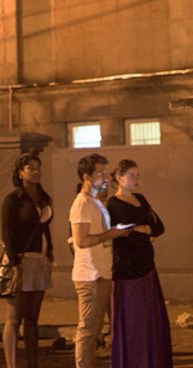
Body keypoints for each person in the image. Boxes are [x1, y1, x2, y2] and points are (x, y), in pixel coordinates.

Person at [105, 159, 170, 368]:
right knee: (134, 322)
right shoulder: (113, 205)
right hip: (127, 269)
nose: (136, 180)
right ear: (119, 177)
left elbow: (158, 226)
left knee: (150, 321)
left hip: (147, 266)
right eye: (132, 175)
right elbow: (118, 234)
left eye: (137, 175)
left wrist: (145, 230)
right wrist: (137, 231)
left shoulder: (140, 199)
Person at [70, 154, 127, 368]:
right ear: (87, 176)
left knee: (95, 328)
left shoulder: (96, 202)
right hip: (90, 275)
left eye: (105, 172)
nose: (105, 177)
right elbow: (81, 241)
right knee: (88, 329)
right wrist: (110, 235)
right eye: (100, 173)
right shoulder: (83, 203)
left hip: (102, 272)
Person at [0, 152, 54, 368]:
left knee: (33, 318)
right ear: (20, 172)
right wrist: (14, 265)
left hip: (40, 261)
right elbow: (7, 234)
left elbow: (45, 227)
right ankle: (12, 365)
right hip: (21, 262)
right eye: (30, 168)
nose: (35, 171)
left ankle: (33, 363)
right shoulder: (13, 200)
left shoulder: (44, 198)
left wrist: (50, 250)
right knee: (14, 318)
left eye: (37, 167)